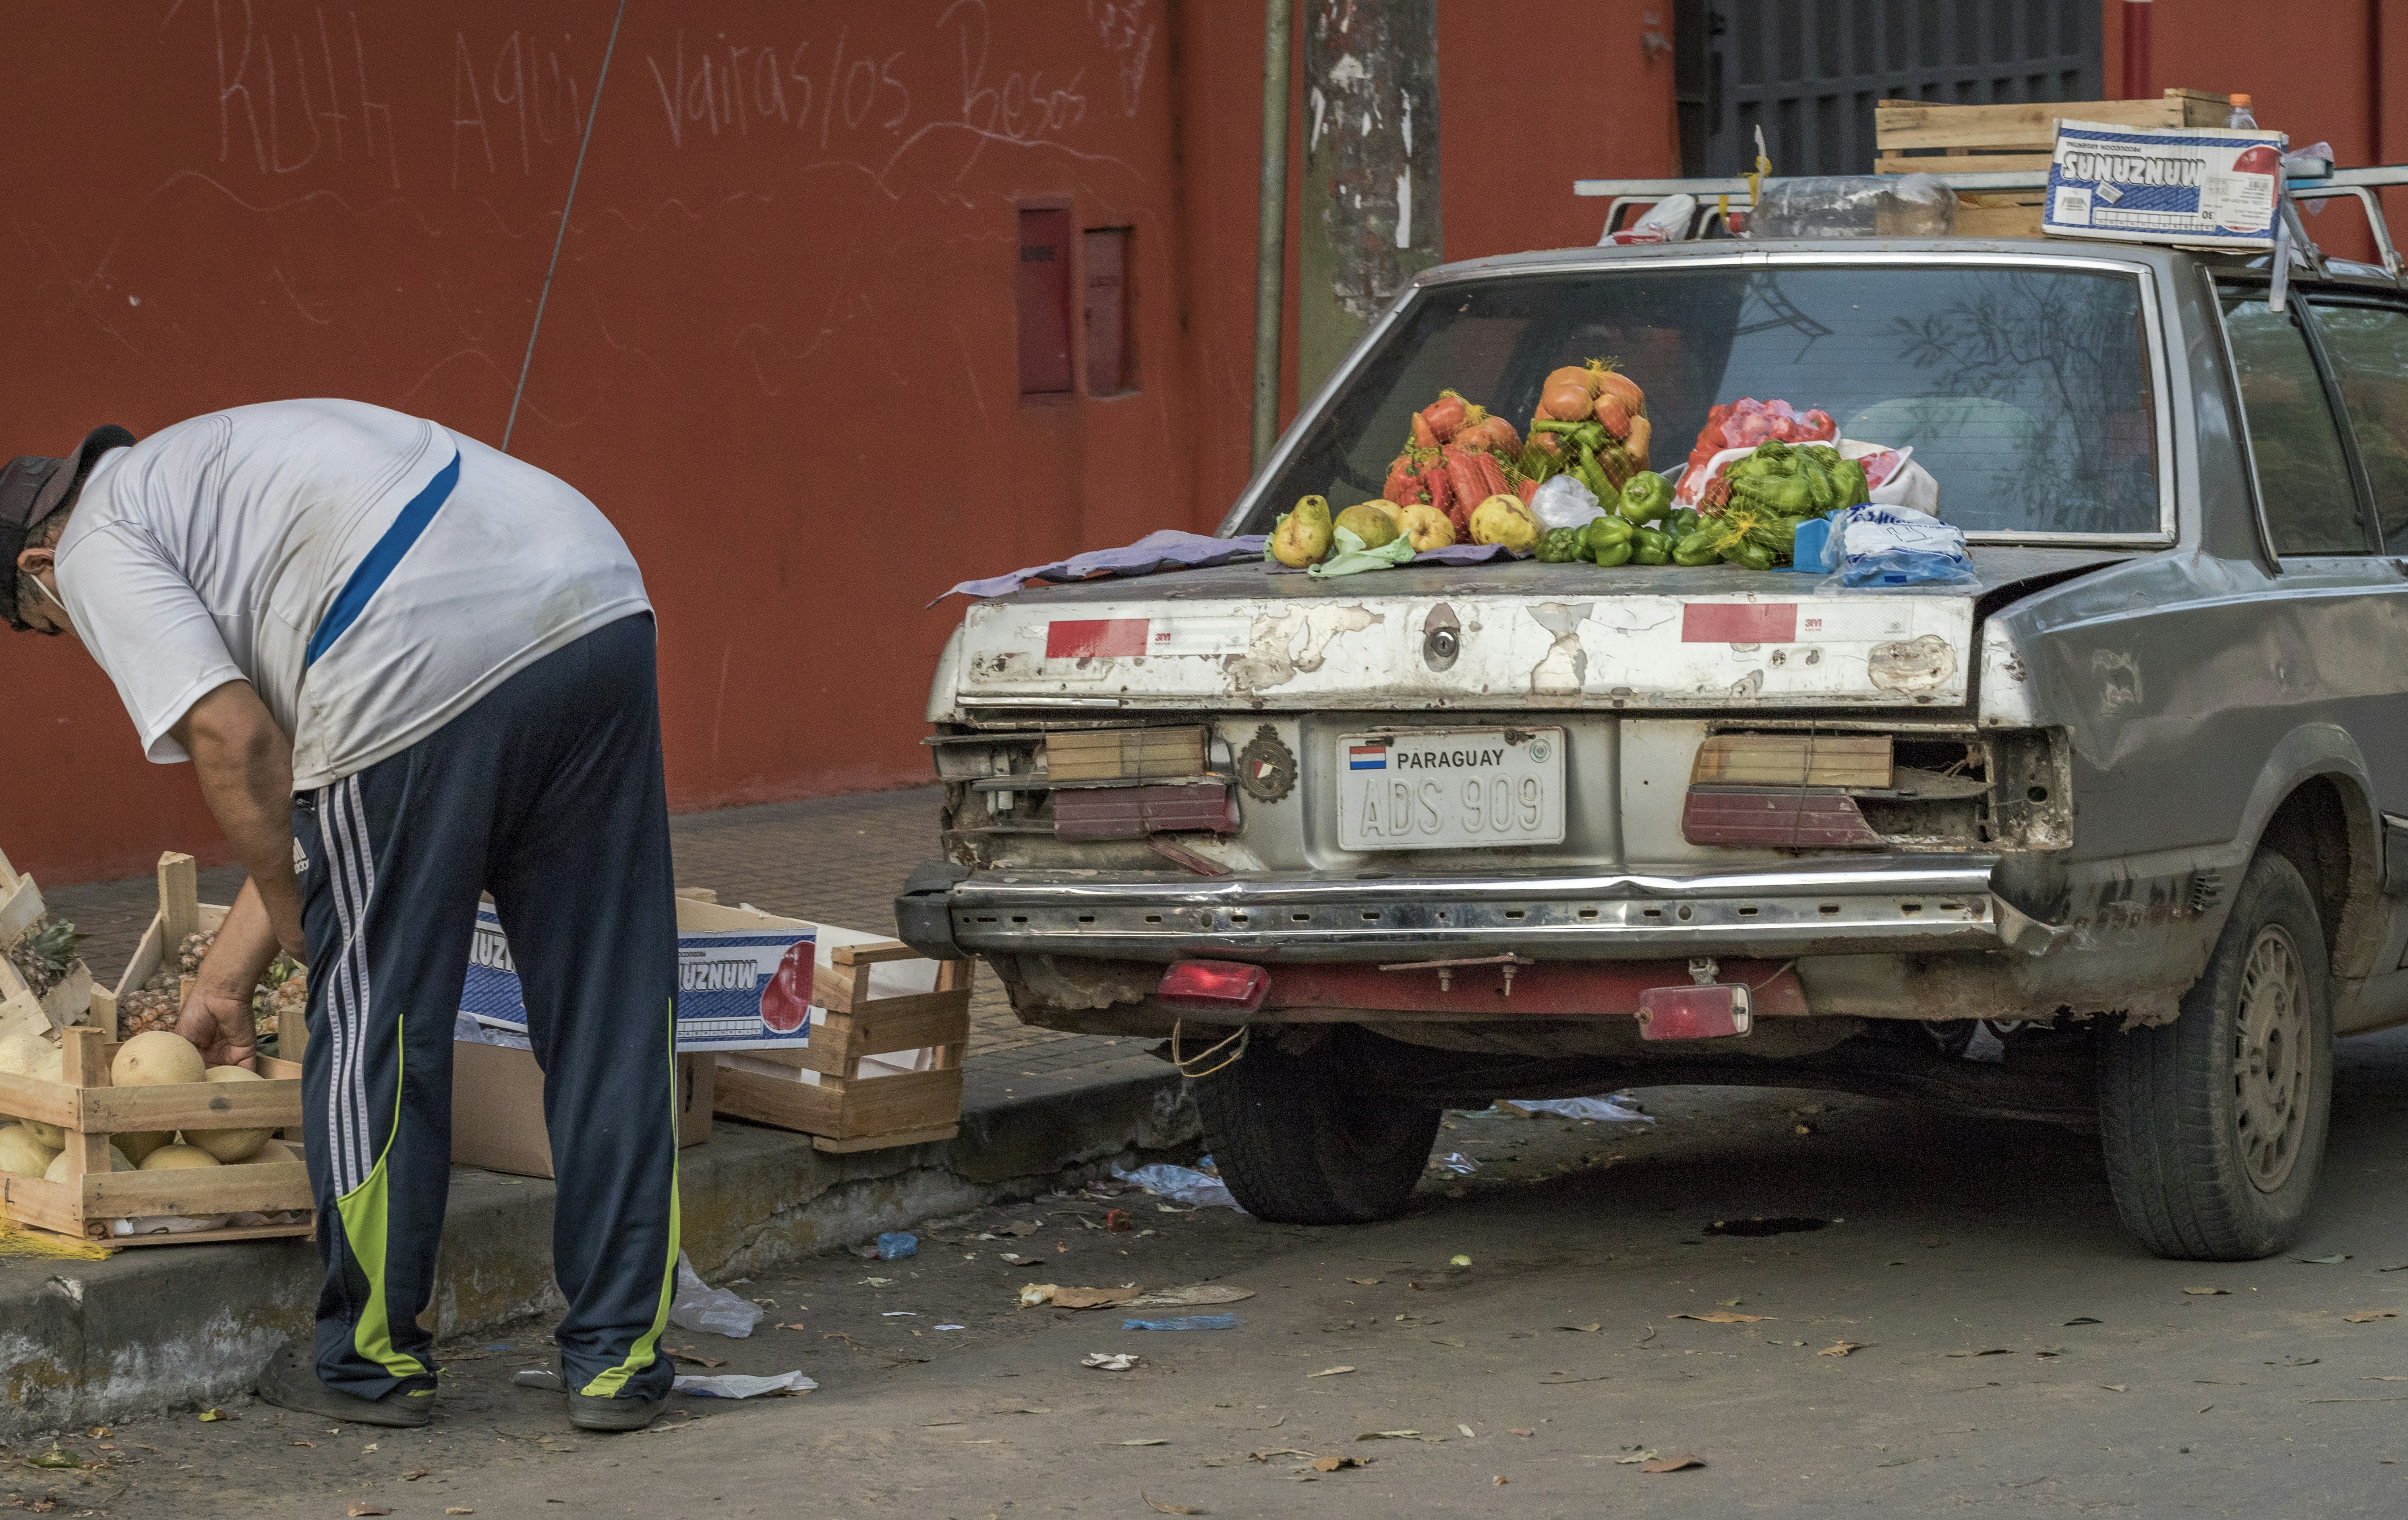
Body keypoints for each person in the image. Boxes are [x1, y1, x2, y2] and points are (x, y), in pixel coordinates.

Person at [1, 400, 682, 1433]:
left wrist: (307, 917)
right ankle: (620, 1359)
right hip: (595, 603)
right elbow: (294, 787)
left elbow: (237, 744)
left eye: (41, 626)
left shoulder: (94, 547)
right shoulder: (207, 468)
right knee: (611, 1006)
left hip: (411, 647)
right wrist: (225, 982)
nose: (69, 637)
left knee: (377, 1020)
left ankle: (371, 1363)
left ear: (38, 567)